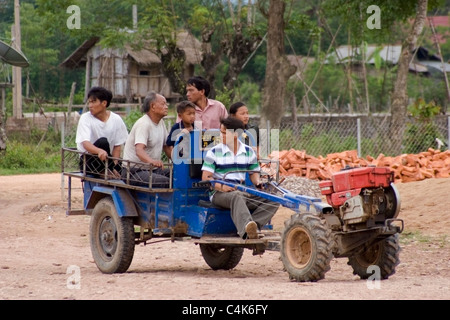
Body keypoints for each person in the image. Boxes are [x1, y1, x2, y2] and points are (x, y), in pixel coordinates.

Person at [201, 117, 279, 239]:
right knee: (237, 196)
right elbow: (206, 178)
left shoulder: (248, 152)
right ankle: (246, 230)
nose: (220, 136)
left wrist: (258, 182)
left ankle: (253, 226)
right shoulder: (213, 152)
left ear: (236, 135)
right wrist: (222, 187)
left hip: (241, 192)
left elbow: (253, 174)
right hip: (219, 194)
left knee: (274, 197)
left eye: (224, 133)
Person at [122, 91, 171, 187]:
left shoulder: (161, 123)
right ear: (152, 106)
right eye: (163, 104)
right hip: (133, 171)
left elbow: (167, 147)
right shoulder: (144, 124)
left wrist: (180, 162)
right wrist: (152, 161)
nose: (166, 106)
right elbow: (139, 151)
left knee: (178, 176)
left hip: (152, 170)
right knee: (166, 182)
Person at [76, 86, 128, 177]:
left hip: (108, 160)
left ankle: (111, 171)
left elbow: (117, 146)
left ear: (104, 103)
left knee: (126, 169)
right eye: (89, 102)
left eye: (93, 102)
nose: (90, 106)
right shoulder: (85, 118)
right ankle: (107, 171)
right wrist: (99, 151)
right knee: (103, 142)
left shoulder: (116, 119)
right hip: (89, 162)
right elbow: (85, 143)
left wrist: (114, 166)